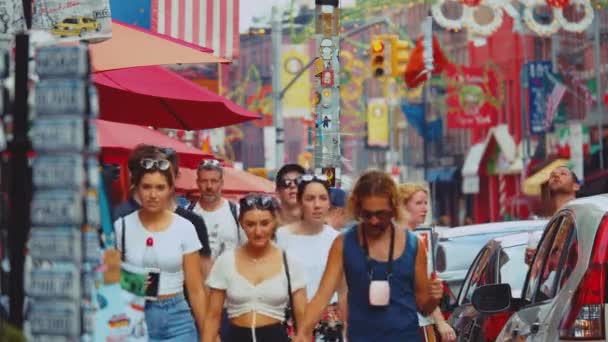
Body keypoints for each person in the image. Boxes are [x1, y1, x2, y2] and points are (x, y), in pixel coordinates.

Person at [294, 170, 443, 342]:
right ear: (357, 209)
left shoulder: (413, 245)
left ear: (394, 208)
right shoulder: (343, 244)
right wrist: (303, 333)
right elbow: (322, 297)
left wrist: (434, 297)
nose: (374, 221)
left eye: (381, 214)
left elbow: (424, 305)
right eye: (367, 214)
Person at [114, 150, 205, 341]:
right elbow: (108, 277)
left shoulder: (185, 227)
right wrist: (134, 282)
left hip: (178, 318)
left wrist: (209, 334)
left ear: (170, 189)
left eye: (160, 187)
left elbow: (196, 289)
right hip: (136, 317)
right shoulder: (122, 226)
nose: (153, 194)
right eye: (146, 187)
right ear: (136, 188)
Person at [203, 194, 308, 342]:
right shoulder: (225, 261)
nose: (258, 232)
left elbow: (303, 320)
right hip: (235, 335)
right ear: (241, 224)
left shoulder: (290, 262)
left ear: (274, 222)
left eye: (264, 223)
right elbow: (212, 317)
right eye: (250, 224)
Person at [113, 145, 212, 275]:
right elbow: (112, 273)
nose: (157, 173)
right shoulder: (124, 219)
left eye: (164, 171)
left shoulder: (191, 223)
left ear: (174, 178)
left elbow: (204, 273)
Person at [276, 175, 345, 341]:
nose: (317, 205)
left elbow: (344, 289)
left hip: (330, 322)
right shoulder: (281, 236)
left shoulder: (338, 239)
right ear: (300, 202)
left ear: (329, 203)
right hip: (291, 319)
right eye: (310, 198)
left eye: (323, 198)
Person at [399, 183, 456, 342]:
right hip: (414, 324)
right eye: (418, 203)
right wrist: (441, 323)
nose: (424, 208)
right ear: (402, 206)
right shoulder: (407, 241)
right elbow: (423, 291)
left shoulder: (414, 240)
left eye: (425, 203)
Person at [525, 166, 580, 265]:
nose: (556, 175)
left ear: (576, 186)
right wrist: (537, 260)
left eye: (563, 173)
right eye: (552, 175)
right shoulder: (554, 222)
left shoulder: (580, 213)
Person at [189, 159, 242, 259]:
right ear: (197, 183)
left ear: (221, 183)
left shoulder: (236, 211)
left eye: (214, 181)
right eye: (204, 181)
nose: (209, 186)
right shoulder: (188, 213)